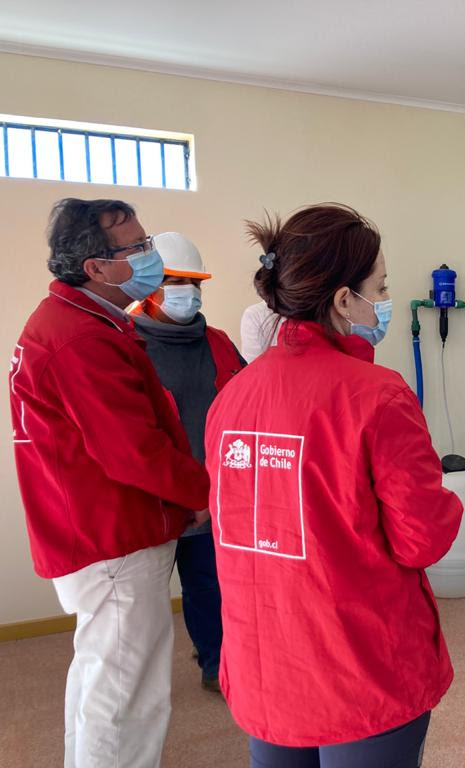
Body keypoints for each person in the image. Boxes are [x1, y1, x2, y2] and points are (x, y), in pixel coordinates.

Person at [204, 203, 463, 768]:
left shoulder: (232, 398)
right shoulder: (376, 394)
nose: (386, 299)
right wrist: (446, 500)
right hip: (355, 663)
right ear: (345, 299)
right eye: (382, 286)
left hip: (263, 659)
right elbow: (421, 540)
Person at [8, 198, 210, 767]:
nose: (152, 257)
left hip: (92, 528)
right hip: (113, 536)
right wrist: (202, 492)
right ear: (96, 268)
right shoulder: (81, 339)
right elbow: (134, 451)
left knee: (101, 678)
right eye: (139, 248)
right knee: (128, 696)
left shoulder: (80, 321)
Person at [130, 231, 246, 693]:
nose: (189, 292)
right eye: (176, 281)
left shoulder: (216, 343)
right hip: (152, 504)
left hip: (212, 502)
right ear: (150, 286)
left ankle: (217, 663)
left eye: (195, 282)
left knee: (210, 588)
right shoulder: (127, 347)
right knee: (141, 605)